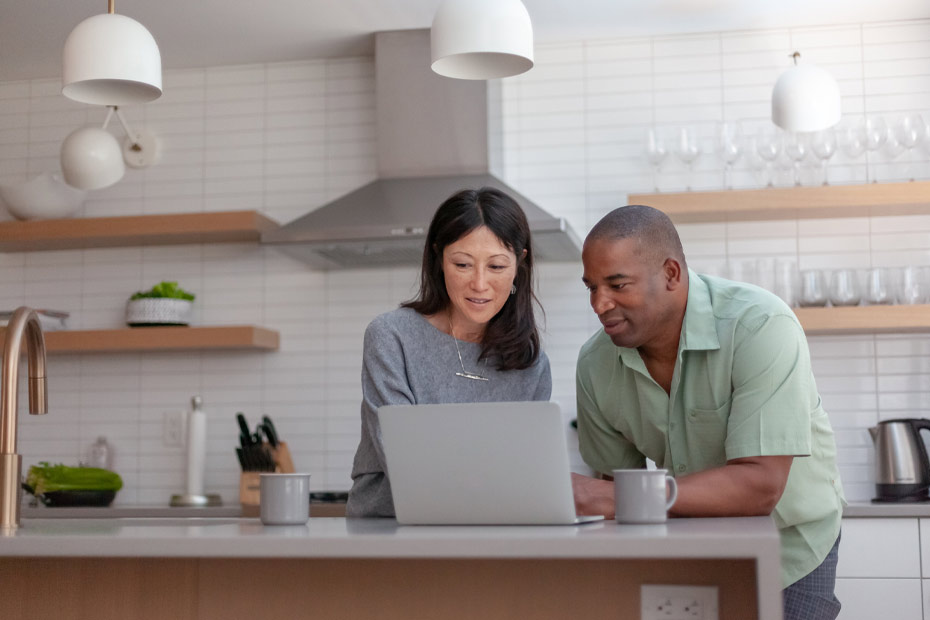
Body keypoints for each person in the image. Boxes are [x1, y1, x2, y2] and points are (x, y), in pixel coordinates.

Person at [571, 205, 845, 620]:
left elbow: (761, 485)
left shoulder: (759, 325)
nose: (599, 303)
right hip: (690, 543)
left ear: (671, 274)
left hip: (789, 545)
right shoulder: (595, 364)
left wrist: (613, 497)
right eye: (591, 287)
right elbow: (611, 495)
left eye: (617, 284)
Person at [346, 187, 552, 518]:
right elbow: (402, 459)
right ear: (439, 259)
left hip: (492, 530)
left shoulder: (531, 365)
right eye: (463, 264)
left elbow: (526, 472)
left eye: (497, 266)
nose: (480, 284)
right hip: (388, 531)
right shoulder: (391, 337)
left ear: (519, 265)